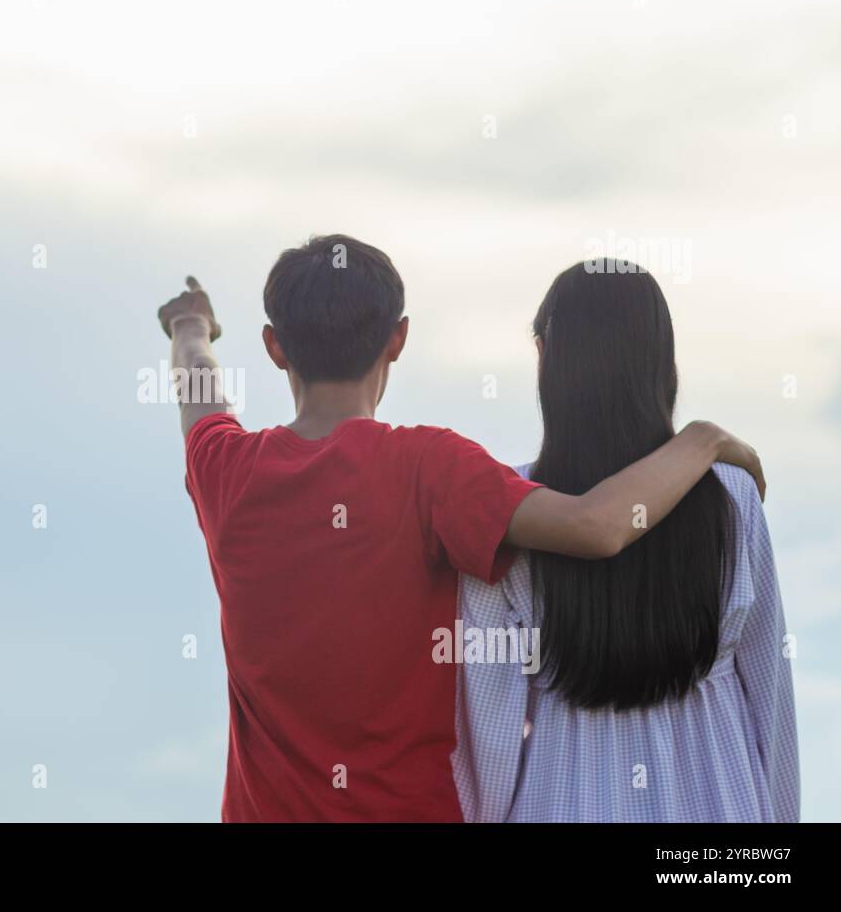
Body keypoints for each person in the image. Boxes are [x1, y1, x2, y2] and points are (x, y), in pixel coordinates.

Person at [156, 236, 766, 821]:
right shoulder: (431, 468)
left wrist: (190, 327)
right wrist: (702, 440)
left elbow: (198, 387)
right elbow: (599, 525)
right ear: (398, 339)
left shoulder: (225, 470)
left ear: (274, 346)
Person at [453, 261, 798, 822]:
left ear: (545, 359)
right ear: (664, 365)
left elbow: (487, 731)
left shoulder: (514, 514)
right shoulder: (733, 496)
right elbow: (770, 695)